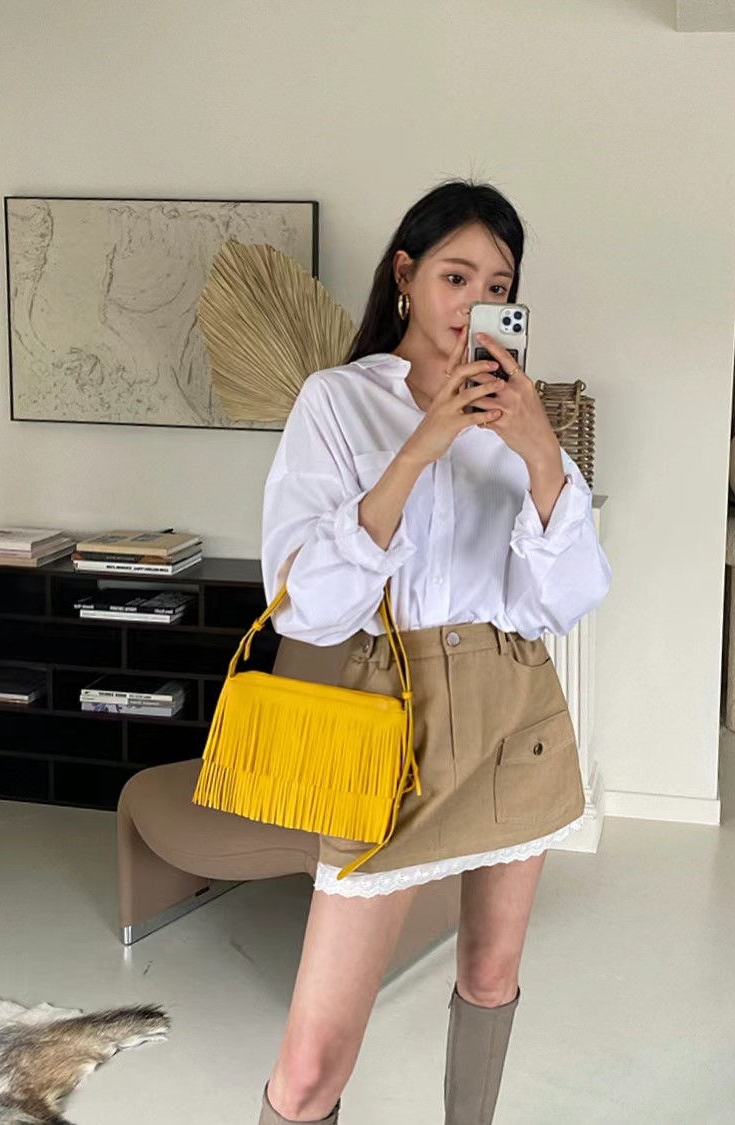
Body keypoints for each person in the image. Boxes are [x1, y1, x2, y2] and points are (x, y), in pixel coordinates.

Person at [257, 180, 612, 1124]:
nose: (473, 301)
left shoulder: (526, 416)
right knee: (310, 1067)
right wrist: (423, 444)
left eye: (497, 285)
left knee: (491, 976)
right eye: (456, 276)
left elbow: (565, 598)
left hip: (514, 715)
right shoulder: (336, 402)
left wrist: (540, 453)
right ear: (406, 276)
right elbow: (305, 605)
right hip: (389, 720)